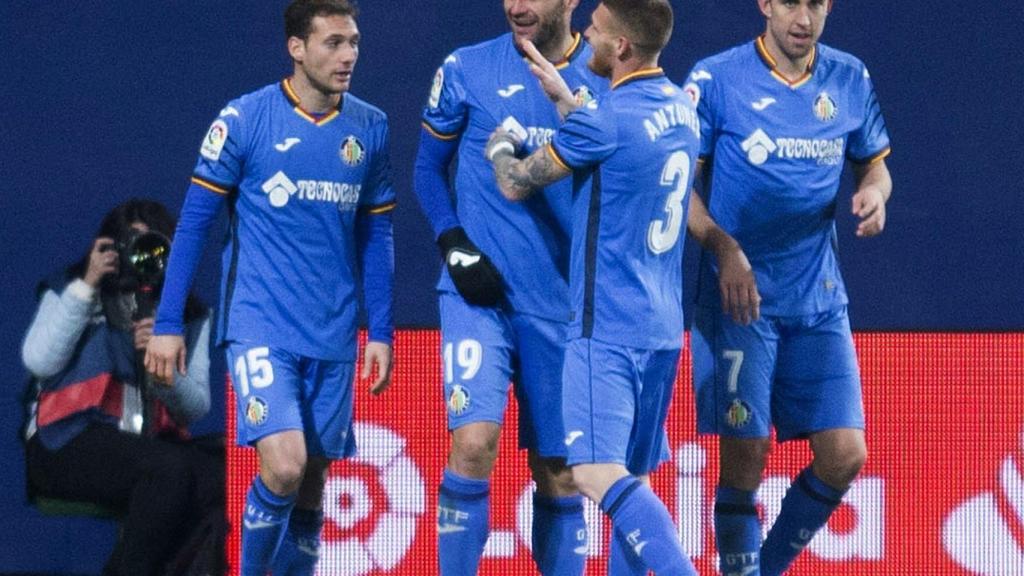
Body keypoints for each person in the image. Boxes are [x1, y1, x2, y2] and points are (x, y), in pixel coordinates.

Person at [144, 1, 396, 574]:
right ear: (297, 48)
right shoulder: (243, 120)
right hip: (261, 324)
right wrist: (165, 325)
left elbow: (376, 232)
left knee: (310, 484)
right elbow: (194, 224)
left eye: (354, 41)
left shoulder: (370, 126)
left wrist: (379, 331)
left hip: (332, 333)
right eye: (333, 42)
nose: (349, 55)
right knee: (284, 464)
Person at [487, 1, 699, 574]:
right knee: (632, 480)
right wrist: (566, 99)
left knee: (593, 473)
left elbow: (514, 183)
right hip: (661, 329)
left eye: (598, 32)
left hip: (603, 330)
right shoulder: (682, 109)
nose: (586, 37)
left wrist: (501, 144)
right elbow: (617, 138)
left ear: (622, 48)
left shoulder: (604, 121)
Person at [682, 0, 893, 574]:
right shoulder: (715, 78)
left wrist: (876, 193)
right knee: (745, 464)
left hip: (820, 299)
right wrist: (725, 250)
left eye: (818, 3)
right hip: (740, 302)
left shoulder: (849, 76)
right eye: (792, 2)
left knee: (846, 456)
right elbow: (676, 186)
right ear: (766, 4)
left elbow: (874, 165)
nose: (805, 17)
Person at [413, 1, 607, 574]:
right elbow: (428, 169)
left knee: (560, 471)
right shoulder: (466, 68)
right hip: (480, 297)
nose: (517, 5)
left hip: (563, 305)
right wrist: (453, 243)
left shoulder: (605, 72)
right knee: (472, 444)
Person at [22, 199, 222, 576]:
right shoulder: (72, 288)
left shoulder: (189, 315)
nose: (140, 255)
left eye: (153, 245)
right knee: (169, 470)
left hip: (148, 446)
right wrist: (87, 286)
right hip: (65, 441)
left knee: (220, 476)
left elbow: (195, 407)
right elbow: (39, 361)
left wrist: (165, 370)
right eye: (131, 243)